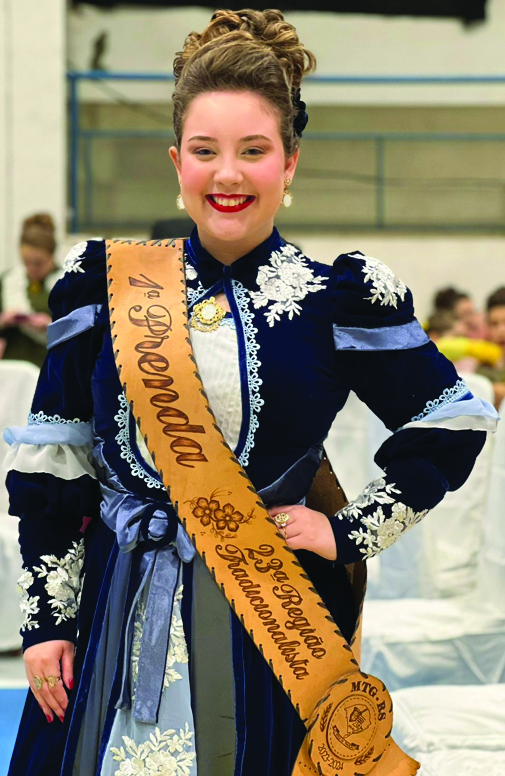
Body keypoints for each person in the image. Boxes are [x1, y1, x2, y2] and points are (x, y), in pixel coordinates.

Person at [3, 9, 497, 776]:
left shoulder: (339, 299)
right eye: (205, 151)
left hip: (267, 627)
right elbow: (54, 468)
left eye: (253, 151)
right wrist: (44, 625)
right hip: (107, 617)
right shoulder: (100, 284)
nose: (226, 174)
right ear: (176, 161)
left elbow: (454, 417)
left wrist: (349, 531)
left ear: (290, 162)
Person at [0, 213, 62, 367]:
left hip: (50, 369)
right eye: (26, 262)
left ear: (51, 256)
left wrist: (50, 325)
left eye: (38, 263)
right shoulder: (8, 280)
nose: (31, 269)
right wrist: (4, 320)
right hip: (14, 369)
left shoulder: (67, 284)